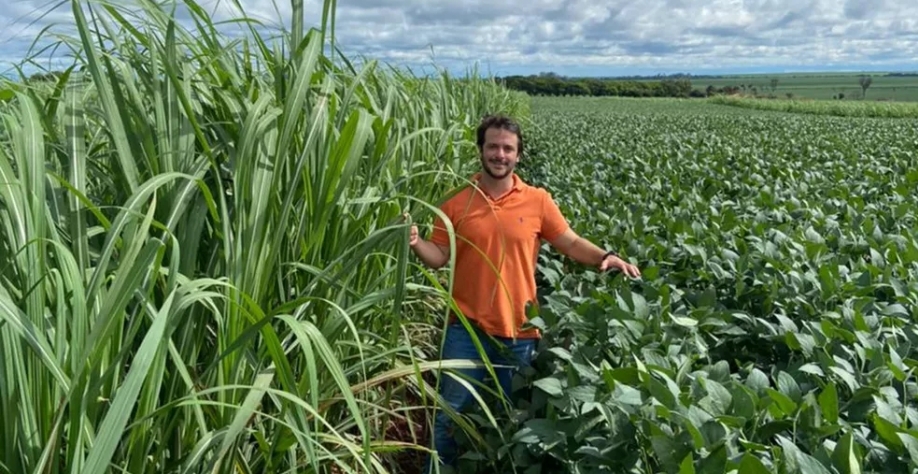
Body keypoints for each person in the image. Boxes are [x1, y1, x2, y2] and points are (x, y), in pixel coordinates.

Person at [407, 114, 641, 472]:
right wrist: (415, 242)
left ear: (518, 155)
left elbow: (571, 242)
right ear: (480, 150)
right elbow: (439, 257)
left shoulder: (537, 200)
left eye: (507, 148)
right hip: (464, 330)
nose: (499, 154)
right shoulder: (456, 200)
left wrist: (605, 258)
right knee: (448, 418)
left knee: (512, 422)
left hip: (519, 332)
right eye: (493, 146)